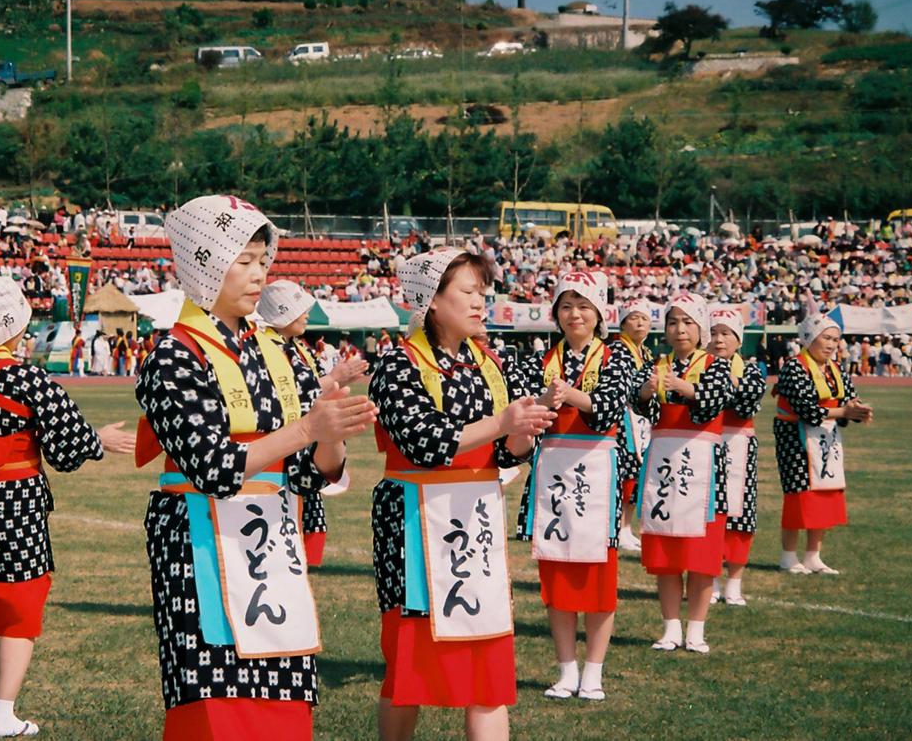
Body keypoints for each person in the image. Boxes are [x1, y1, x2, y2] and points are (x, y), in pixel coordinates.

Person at [135, 196, 372, 740]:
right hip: (198, 540)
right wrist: (308, 430)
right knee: (216, 702)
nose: (258, 274)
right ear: (204, 263)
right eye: (242, 260)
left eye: (263, 260)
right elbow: (212, 467)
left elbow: (308, 474)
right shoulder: (172, 355)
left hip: (271, 537)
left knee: (281, 699)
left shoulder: (275, 352)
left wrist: (330, 440)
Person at [0, 276, 135, 738]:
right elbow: (67, 449)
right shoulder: (28, 378)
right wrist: (98, 440)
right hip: (15, 508)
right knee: (21, 615)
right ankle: (4, 713)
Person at [369, 249, 554, 741]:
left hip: (473, 519)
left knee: (488, 669)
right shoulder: (398, 363)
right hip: (414, 521)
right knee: (407, 667)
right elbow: (422, 440)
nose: (480, 303)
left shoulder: (491, 360)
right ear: (431, 301)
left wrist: (521, 436)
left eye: (482, 292)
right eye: (468, 292)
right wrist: (501, 424)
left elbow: (507, 452)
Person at [517, 271, 635, 701]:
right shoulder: (538, 358)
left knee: (600, 579)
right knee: (557, 574)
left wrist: (566, 396)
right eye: (566, 306)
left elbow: (606, 409)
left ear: (599, 313)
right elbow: (525, 410)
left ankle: (595, 672)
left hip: (597, 472)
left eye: (584, 306)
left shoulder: (616, 356)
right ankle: (566, 670)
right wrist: (547, 400)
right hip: (553, 474)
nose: (575, 314)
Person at [635, 293, 733, 654]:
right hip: (663, 463)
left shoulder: (716, 364)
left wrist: (683, 388)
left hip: (704, 466)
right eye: (673, 322)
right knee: (667, 550)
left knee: (701, 550)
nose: (680, 330)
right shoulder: (657, 366)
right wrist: (645, 392)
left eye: (688, 322)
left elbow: (715, 400)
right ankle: (670, 627)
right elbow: (637, 405)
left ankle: (697, 629)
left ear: (701, 328)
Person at [256, 279, 367, 567]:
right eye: (299, 309)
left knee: (311, 521)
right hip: (284, 452)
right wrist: (335, 378)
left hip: (308, 450)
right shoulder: (265, 348)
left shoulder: (299, 348)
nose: (306, 315)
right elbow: (287, 394)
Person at [773, 314, 872, 575]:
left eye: (835, 340)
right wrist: (844, 412)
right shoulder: (794, 367)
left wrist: (858, 409)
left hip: (826, 439)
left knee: (825, 492)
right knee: (799, 494)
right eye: (826, 338)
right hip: (795, 438)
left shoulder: (835, 368)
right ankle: (788, 556)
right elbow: (805, 408)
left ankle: (813, 555)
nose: (831, 345)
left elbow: (849, 397)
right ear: (809, 338)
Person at [707, 307, 766, 606]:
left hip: (739, 444)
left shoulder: (752, 371)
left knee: (740, 513)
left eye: (726, 333)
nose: (719, 340)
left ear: (738, 340)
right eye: (714, 333)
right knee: (710, 514)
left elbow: (746, 402)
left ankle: (735, 581)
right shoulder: (698, 367)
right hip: (704, 443)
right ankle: (711, 577)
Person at [610, 299, 654, 552]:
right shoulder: (618, 350)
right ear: (624, 323)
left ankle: (627, 526)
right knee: (625, 472)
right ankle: (620, 526)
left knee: (636, 473)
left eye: (644, 319)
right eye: (634, 318)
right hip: (622, 418)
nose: (639, 323)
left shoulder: (645, 353)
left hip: (641, 420)